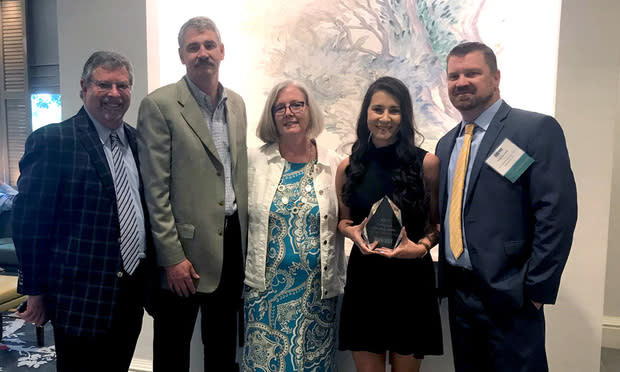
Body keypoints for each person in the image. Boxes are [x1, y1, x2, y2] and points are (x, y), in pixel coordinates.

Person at [435, 41, 578, 372]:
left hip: (512, 295)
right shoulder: (446, 145)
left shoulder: (534, 130)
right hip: (460, 295)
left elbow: (556, 213)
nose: (461, 82)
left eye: (472, 73)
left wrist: (537, 288)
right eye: (453, 76)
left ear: (496, 77)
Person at [12, 51, 153, 372]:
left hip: (131, 291)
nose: (114, 94)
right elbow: (30, 223)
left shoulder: (138, 142)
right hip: (80, 295)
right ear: (83, 87)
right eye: (104, 85)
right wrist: (34, 290)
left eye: (122, 86)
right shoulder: (53, 141)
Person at [137, 16, 248, 371]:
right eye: (194, 47)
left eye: (209, 45)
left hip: (231, 243)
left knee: (221, 347)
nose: (203, 53)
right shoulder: (160, 105)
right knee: (172, 351)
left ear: (222, 50)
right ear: (182, 56)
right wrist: (171, 257)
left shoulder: (237, 104)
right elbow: (155, 190)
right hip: (182, 254)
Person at [336, 76, 443, 372]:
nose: (385, 118)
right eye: (377, 109)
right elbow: (343, 221)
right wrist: (352, 232)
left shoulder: (427, 164)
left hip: (411, 284)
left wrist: (420, 248)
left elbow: (436, 227)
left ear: (405, 116)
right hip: (365, 281)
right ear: (366, 114)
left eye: (394, 110)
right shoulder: (348, 166)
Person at [243, 81, 345, 371]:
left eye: (297, 105)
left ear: (309, 110)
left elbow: (347, 219)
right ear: (271, 115)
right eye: (280, 107)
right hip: (264, 295)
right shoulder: (255, 162)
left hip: (317, 295)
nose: (289, 112)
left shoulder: (333, 164)